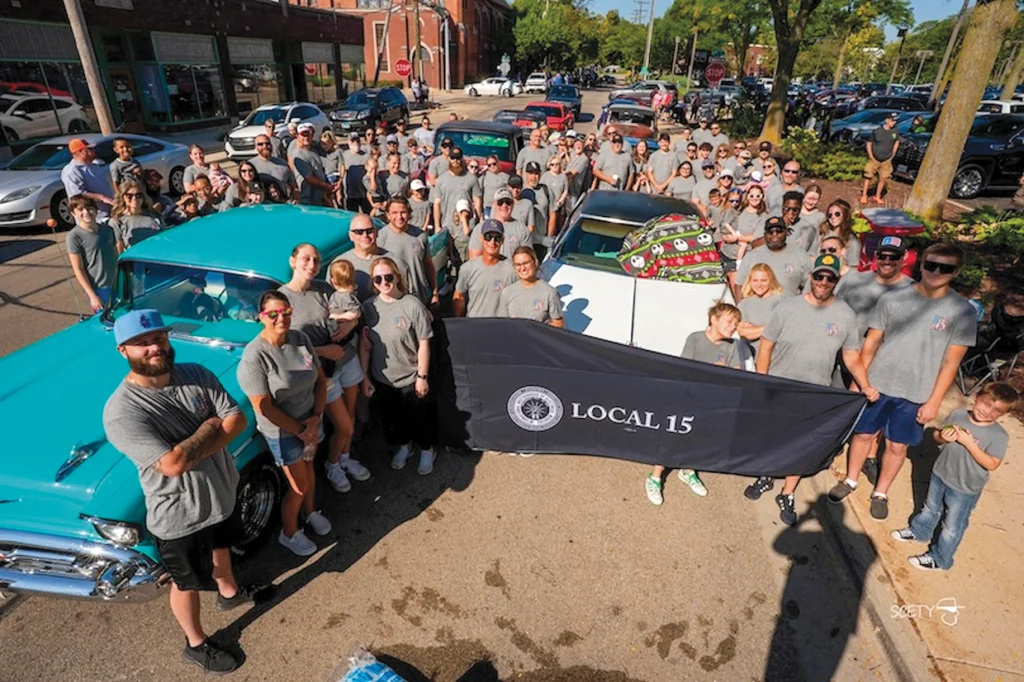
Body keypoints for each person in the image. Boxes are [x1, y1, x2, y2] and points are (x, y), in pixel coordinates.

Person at [103, 309, 255, 674]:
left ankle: (230, 592)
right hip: (178, 513)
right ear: (123, 350)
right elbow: (172, 465)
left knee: (223, 546)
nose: (153, 347)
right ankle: (196, 643)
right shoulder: (122, 412)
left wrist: (190, 447)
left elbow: (237, 420)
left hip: (222, 491)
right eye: (141, 343)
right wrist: (209, 429)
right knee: (186, 582)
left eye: (158, 338)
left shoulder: (197, 374)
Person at [832, 243, 977, 521]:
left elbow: (951, 363)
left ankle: (881, 492)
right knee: (863, 435)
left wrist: (934, 401)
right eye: (931, 264)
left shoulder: (962, 311)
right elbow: (871, 343)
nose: (936, 272)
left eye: (945, 268)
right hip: (877, 384)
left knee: (898, 446)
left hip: (916, 392)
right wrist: (860, 382)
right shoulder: (893, 299)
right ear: (921, 264)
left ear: (956, 272)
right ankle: (850, 480)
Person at [746, 254, 878, 525]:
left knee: (802, 444)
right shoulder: (787, 307)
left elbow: (852, 355)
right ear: (811, 277)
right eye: (819, 276)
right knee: (774, 437)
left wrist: (865, 384)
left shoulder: (845, 315)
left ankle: (788, 492)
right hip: (780, 386)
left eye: (830, 278)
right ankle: (766, 475)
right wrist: (762, 381)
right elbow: (766, 345)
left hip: (816, 392)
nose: (823, 282)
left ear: (836, 281)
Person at [236, 290, 332, 558]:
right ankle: (289, 533)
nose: (281, 318)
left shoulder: (300, 340)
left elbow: (320, 381)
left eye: (286, 312)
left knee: (310, 469)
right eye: (273, 314)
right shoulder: (255, 358)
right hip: (284, 432)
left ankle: (311, 512)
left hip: (311, 422)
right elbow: (264, 407)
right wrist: (301, 431)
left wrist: (316, 417)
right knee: (298, 486)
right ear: (261, 317)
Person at [891, 383, 1018, 571]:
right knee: (930, 507)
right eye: (985, 404)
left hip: (965, 488)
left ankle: (940, 558)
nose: (987, 411)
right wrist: (943, 437)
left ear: (1003, 414)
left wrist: (969, 443)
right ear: (976, 399)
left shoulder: (999, 435)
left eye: (996, 410)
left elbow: (992, 464)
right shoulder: (958, 415)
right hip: (940, 473)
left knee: (952, 525)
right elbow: (936, 436)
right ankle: (920, 531)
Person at [279, 244, 368, 495]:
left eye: (316, 260)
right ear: (293, 261)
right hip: (320, 373)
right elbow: (283, 345)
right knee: (345, 426)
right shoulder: (282, 298)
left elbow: (351, 312)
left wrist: (349, 327)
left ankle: (344, 457)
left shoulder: (323, 288)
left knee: (350, 414)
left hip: (345, 359)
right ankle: (332, 466)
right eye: (306, 259)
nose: (311, 264)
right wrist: (323, 351)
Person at [646, 303, 744, 506]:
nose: (733, 326)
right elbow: (684, 369)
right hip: (688, 397)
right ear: (714, 320)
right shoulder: (695, 339)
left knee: (700, 437)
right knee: (673, 436)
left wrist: (727, 372)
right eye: (729, 321)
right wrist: (712, 370)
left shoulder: (733, 346)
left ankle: (688, 470)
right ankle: (655, 476)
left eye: (736, 322)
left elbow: (737, 373)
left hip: (713, 401)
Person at [359, 257, 437, 474]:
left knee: (420, 418)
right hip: (383, 378)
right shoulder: (368, 308)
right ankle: (405, 446)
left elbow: (423, 342)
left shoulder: (412, 305)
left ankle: (427, 449)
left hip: (411, 377)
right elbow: (365, 346)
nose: (384, 282)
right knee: (394, 419)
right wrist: (365, 377)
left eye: (388, 277)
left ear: (397, 276)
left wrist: (422, 377)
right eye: (378, 279)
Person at [377, 197, 437, 308]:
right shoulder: (380, 239)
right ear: (388, 215)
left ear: (409, 213)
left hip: (421, 298)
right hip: (394, 301)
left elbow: (428, 265)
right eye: (394, 213)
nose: (399, 217)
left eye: (403, 212)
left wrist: (434, 292)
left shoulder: (420, 235)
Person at [736, 213, 810, 299]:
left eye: (779, 231)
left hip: (790, 308)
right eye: (770, 232)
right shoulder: (752, 256)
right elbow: (739, 285)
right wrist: (740, 309)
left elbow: (809, 284)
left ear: (786, 232)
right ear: (764, 235)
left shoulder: (800, 255)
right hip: (760, 309)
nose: (774, 235)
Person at [454, 219, 518, 317]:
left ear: (503, 240)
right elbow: (459, 296)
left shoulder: (513, 270)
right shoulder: (467, 269)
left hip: (503, 327)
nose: (492, 242)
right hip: (475, 326)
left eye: (497, 238)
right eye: (488, 237)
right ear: (481, 238)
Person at [66, 195, 117, 312]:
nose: (86, 212)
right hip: (100, 288)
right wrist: (93, 296)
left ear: (96, 210)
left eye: (89, 208)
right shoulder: (74, 236)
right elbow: (78, 269)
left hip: (117, 283)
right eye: (80, 210)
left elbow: (116, 255)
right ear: (73, 213)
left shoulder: (107, 229)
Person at [434, 146, 483, 258]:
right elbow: (437, 203)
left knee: (464, 261)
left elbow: (477, 200)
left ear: (462, 159)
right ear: (449, 159)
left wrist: (476, 222)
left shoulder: (471, 178)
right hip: (447, 228)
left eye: (458, 158)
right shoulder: (441, 180)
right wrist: (437, 226)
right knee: (446, 262)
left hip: (465, 229)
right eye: (453, 158)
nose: (455, 161)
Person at [336, 214, 398, 302]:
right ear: (350, 235)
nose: (365, 235)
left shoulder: (394, 262)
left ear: (376, 232)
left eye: (369, 231)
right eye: (359, 232)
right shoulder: (339, 265)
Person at [499, 246, 564, 326]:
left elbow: (558, 324)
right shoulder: (507, 292)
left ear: (535, 262)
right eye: (518, 265)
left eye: (526, 263)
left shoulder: (550, 293)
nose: (522, 268)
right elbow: (502, 323)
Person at [468, 188, 531, 259]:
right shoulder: (480, 228)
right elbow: (474, 257)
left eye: (508, 202)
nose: (504, 206)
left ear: (513, 204)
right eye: (500, 202)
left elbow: (527, 257)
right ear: (494, 204)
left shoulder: (522, 229)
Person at [61, 139, 115, 220]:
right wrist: (102, 198)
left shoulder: (94, 166)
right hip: (93, 218)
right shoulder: (72, 171)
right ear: (82, 152)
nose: (94, 151)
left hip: (110, 213)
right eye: (90, 149)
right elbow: (77, 195)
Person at [737, 263, 785, 355]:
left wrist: (754, 329)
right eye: (755, 280)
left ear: (771, 280)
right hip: (754, 356)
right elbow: (743, 332)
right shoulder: (744, 304)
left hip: (779, 355)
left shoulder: (782, 300)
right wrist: (772, 327)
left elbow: (786, 328)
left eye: (763, 280)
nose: (759, 284)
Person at [110, 179, 165, 251]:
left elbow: (164, 239)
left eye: (138, 195)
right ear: (123, 197)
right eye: (129, 196)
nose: (134, 198)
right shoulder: (117, 221)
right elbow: (118, 251)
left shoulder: (154, 215)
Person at [290, 122, 334, 207]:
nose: (306, 137)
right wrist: (328, 187)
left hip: (321, 198)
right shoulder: (298, 154)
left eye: (308, 134)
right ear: (297, 136)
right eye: (303, 135)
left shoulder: (314, 150)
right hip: (308, 200)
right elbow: (309, 179)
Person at [861, 111, 901, 205]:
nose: (894, 123)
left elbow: (897, 142)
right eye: (892, 120)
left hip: (886, 159)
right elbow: (869, 143)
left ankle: (877, 196)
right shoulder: (877, 131)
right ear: (886, 120)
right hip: (875, 158)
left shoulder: (895, 131)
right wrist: (871, 156)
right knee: (868, 176)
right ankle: (864, 195)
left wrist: (893, 153)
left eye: (895, 121)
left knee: (883, 178)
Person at [251, 134, 299, 202]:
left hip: (280, 206)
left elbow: (294, 186)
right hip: (259, 207)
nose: (265, 146)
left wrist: (295, 199)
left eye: (267, 143)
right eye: (260, 144)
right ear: (255, 147)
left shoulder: (283, 163)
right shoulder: (250, 166)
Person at [818, 199, 861, 268]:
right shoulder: (822, 234)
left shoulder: (852, 242)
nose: (833, 217)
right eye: (830, 215)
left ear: (845, 215)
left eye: (837, 214)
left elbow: (853, 267)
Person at [523, 161, 554, 246]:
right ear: (526, 174)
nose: (533, 177)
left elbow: (553, 214)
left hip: (541, 240)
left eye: (536, 174)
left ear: (540, 174)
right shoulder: (520, 191)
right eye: (531, 173)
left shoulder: (546, 190)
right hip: (524, 240)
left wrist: (549, 236)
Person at [792, 184, 824, 253]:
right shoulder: (795, 212)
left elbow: (821, 237)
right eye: (809, 198)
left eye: (814, 200)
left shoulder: (821, 217)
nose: (811, 202)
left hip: (810, 251)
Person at [343, 133, 371, 212]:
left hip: (364, 193)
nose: (356, 143)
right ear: (348, 142)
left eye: (357, 141)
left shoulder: (367, 156)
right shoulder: (344, 156)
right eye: (353, 141)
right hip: (350, 194)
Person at [541, 155, 569, 231]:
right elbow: (541, 189)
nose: (555, 166)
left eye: (557, 164)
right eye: (552, 164)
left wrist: (560, 201)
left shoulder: (563, 176)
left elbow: (566, 190)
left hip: (559, 205)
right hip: (547, 204)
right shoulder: (545, 176)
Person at [320, 131, 344, 208]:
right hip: (325, 177)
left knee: (339, 197)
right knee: (326, 197)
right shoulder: (321, 153)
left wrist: (341, 179)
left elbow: (342, 165)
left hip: (334, 176)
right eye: (323, 143)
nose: (325, 146)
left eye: (327, 143)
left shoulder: (337, 152)